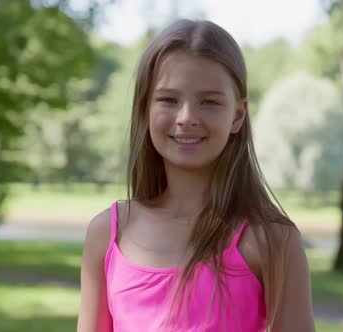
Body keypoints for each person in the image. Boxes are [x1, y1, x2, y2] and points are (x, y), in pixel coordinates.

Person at [77, 19, 315, 332]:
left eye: (210, 102)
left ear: (238, 115)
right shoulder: (108, 233)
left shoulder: (272, 240)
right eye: (168, 100)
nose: (187, 118)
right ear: (145, 110)